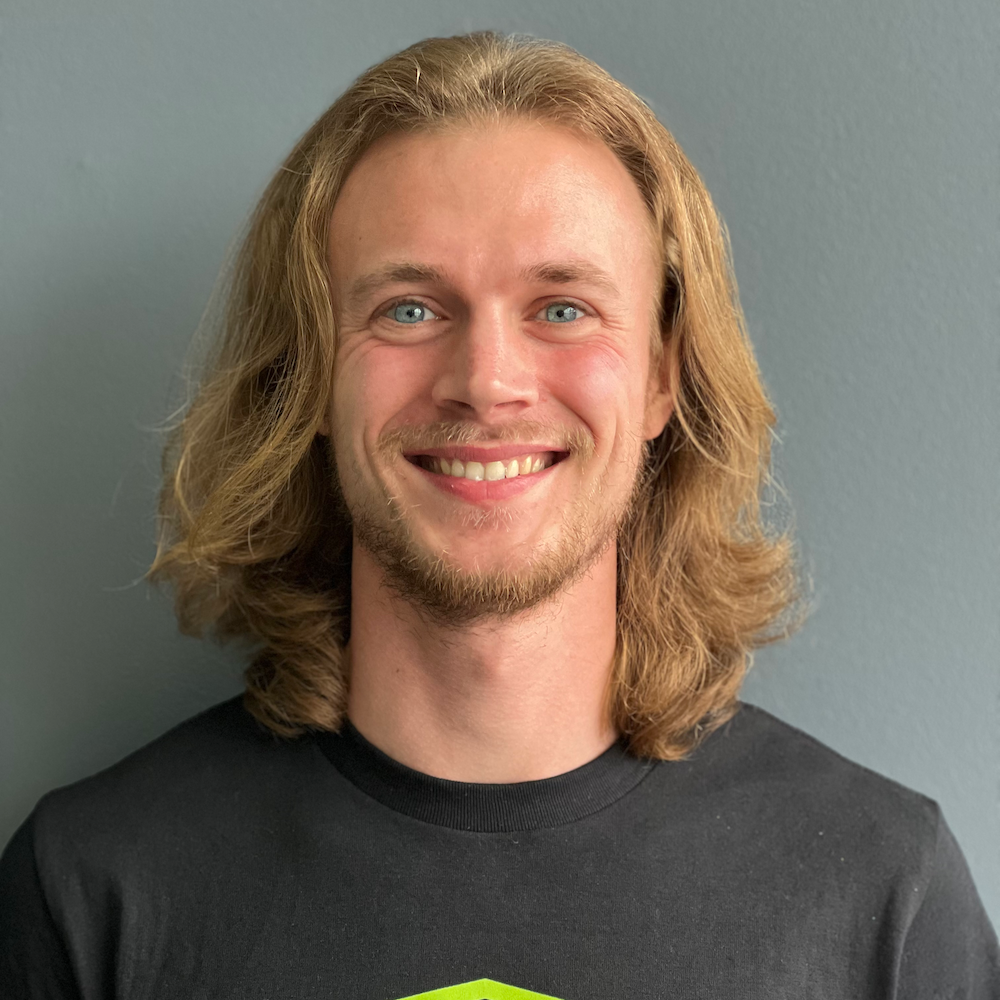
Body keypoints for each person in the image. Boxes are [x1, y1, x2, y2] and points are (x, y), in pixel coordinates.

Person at [1, 31, 996, 1000]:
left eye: (562, 307)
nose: (485, 382)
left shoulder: (882, 898)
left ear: (661, 377)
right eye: (407, 309)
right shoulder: (95, 889)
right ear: (306, 379)